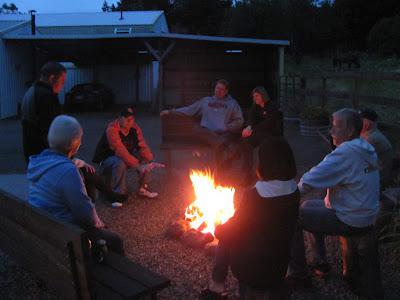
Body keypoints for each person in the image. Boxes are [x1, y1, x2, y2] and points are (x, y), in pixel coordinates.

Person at [286, 108, 382, 296]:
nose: (331, 131)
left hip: (352, 218)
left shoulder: (346, 152)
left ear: (349, 131)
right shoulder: (365, 147)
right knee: (308, 205)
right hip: (365, 211)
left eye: (335, 127)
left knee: (294, 216)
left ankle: (298, 274)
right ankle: (319, 261)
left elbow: (312, 178)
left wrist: (287, 196)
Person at [201, 137, 299, 299]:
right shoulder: (294, 190)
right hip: (279, 265)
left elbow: (232, 229)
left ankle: (216, 285)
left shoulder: (256, 195)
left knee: (226, 234)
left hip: (251, 268)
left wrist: (218, 228)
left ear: (264, 164)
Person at [28, 115, 124, 255]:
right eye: (79, 140)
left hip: (41, 226)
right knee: (115, 241)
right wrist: (97, 223)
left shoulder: (38, 162)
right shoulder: (68, 171)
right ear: (74, 145)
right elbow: (83, 211)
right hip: (64, 233)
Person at [160, 79, 244, 167]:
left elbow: (239, 120)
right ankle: (226, 147)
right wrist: (171, 111)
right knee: (197, 129)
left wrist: (228, 127)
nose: (218, 91)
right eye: (217, 88)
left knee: (220, 144)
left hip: (222, 133)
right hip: (207, 132)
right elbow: (189, 110)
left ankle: (221, 167)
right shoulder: (206, 101)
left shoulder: (232, 103)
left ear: (226, 91)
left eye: (221, 89)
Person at [93, 107, 164, 200]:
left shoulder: (134, 128)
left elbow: (142, 146)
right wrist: (138, 166)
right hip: (106, 159)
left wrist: (151, 160)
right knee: (119, 162)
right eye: (126, 118)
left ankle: (143, 188)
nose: (129, 121)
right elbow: (120, 151)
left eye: (131, 118)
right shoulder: (112, 129)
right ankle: (118, 194)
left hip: (123, 157)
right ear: (119, 118)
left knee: (144, 159)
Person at [21, 61, 66, 164]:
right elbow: (54, 129)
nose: (62, 85)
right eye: (62, 81)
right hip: (46, 157)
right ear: (51, 78)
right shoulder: (47, 96)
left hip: (32, 155)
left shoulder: (31, 91)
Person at [239, 86, 283, 184]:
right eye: (254, 96)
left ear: (263, 96)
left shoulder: (271, 107)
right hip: (258, 133)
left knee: (265, 147)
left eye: (257, 96)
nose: (255, 98)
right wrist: (248, 127)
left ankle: (265, 174)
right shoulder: (255, 107)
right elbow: (251, 118)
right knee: (246, 143)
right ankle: (247, 174)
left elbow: (269, 123)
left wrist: (253, 129)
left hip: (272, 133)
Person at [360, 109, 393, 188]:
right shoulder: (370, 135)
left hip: (379, 177)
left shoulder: (372, 139)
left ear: (367, 124)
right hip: (375, 170)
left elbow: (358, 159)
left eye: (360, 121)